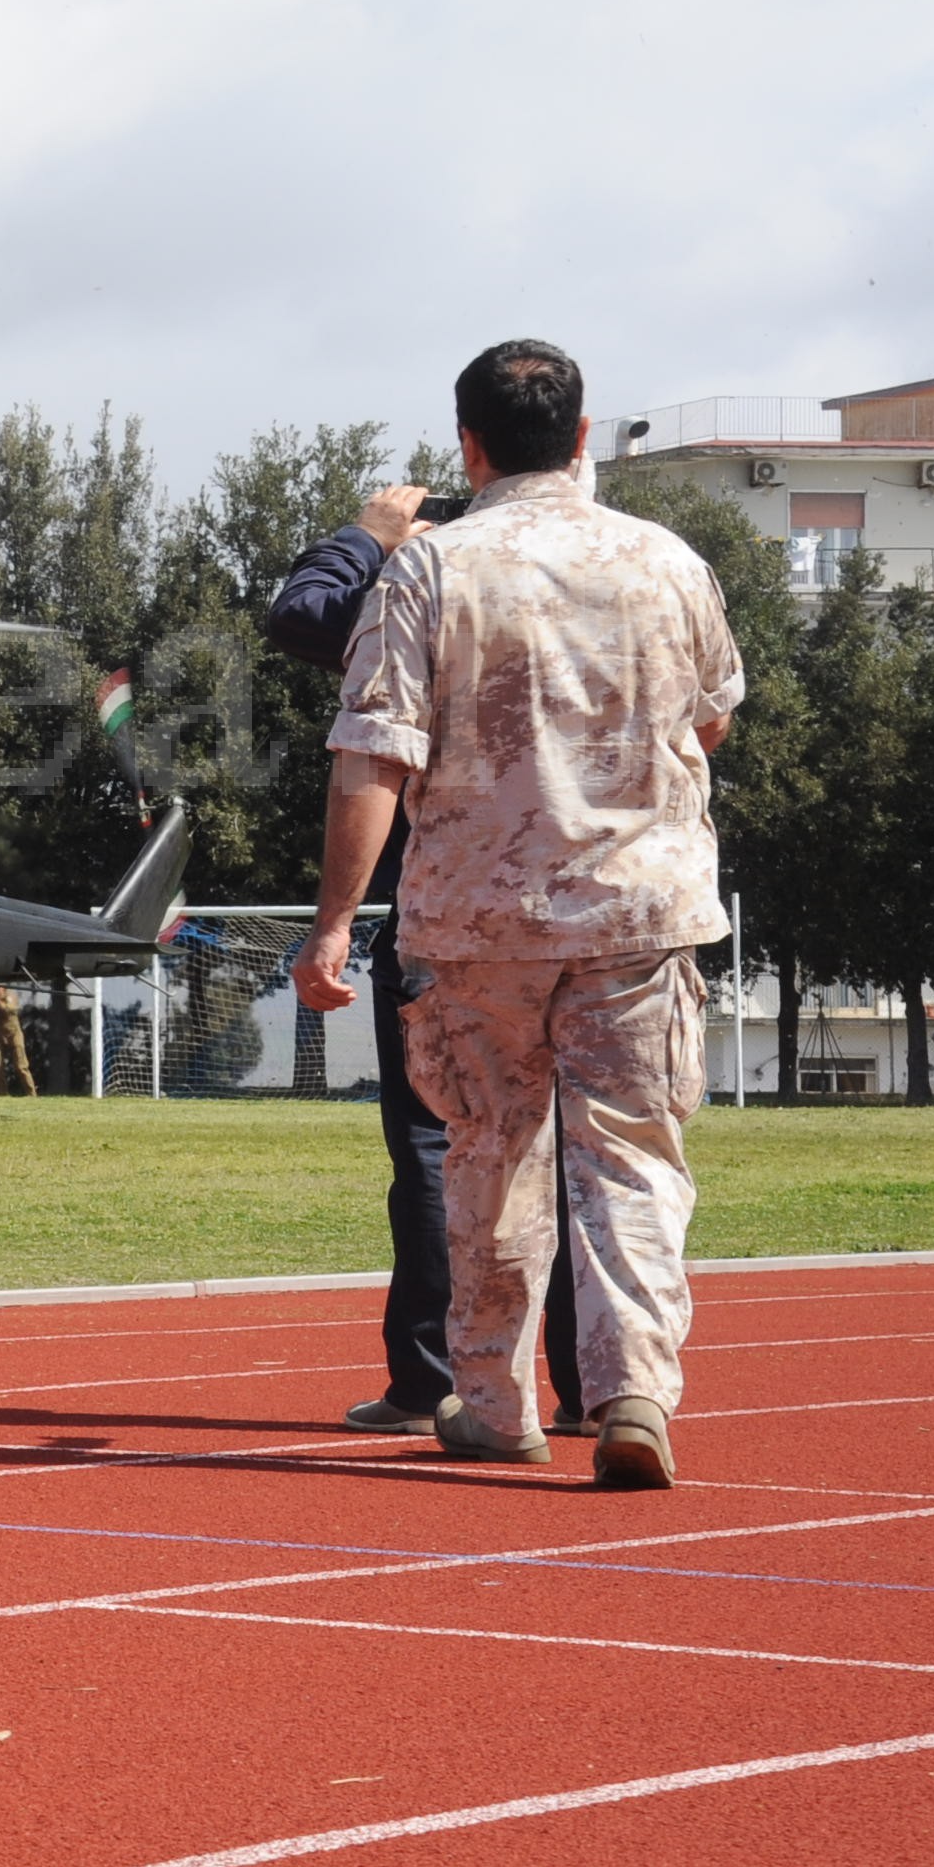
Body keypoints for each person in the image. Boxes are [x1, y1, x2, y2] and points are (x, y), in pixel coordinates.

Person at [294, 341, 740, 1491]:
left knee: (489, 1154)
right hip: (638, 911)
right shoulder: (666, 562)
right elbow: (709, 722)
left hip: (478, 919)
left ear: (468, 446)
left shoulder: (428, 568)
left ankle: (489, 1403)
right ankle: (628, 1385)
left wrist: (332, 923)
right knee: (633, 1158)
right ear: (584, 436)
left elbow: (370, 759)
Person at [266, 493, 584, 1441]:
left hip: (449, 916)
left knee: (437, 1148)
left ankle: (434, 1383)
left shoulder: (425, 594)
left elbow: (301, 616)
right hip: (587, 912)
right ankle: (595, 1384)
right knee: (585, 1155)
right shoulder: (595, 589)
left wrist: (371, 534)